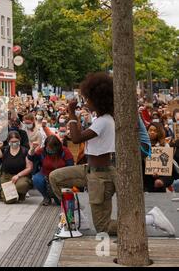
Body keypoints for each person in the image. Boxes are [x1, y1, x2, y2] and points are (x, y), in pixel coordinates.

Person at [49, 73, 175, 236]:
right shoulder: (101, 119)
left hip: (101, 177)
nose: (86, 103)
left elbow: (76, 137)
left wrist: (71, 112)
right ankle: (77, 214)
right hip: (90, 170)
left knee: (103, 227)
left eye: (88, 99)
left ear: (99, 100)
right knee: (55, 178)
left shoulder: (104, 121)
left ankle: (150, 219)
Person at [0, 131, 33, 204]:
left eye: (16, 141)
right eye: (12, 141)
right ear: (8, 141)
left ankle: (19, 193)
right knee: (8, 200)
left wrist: (18, 175)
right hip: (6, 177)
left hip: (20, 177)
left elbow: (29, 167)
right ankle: (14, 194)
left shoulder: (25, 151)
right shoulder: (5, 149)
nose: (14, 143)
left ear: (20, 140)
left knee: (22, 185)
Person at [29, 135, 74, 206]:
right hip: (45, 174)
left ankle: (57, 196)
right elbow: (31, 158)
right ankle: (46, 197)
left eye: (52, 148)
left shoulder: (65, 151)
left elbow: (71, 166)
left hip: (60, 177)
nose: (49, 149)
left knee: (59, 202)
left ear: (57, 146)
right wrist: (32, 150)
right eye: (48, 147)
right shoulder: (42, 151)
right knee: (36, 179)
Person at [142, 122, 174, 192]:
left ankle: (160, 182)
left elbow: (167, 165)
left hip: (162, 175)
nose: (152, 132)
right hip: (146, 176)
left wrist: (159, 172)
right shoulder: (143, 145)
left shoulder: (165, 145)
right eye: (150, 130)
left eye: (155, 131)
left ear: (159, 132)